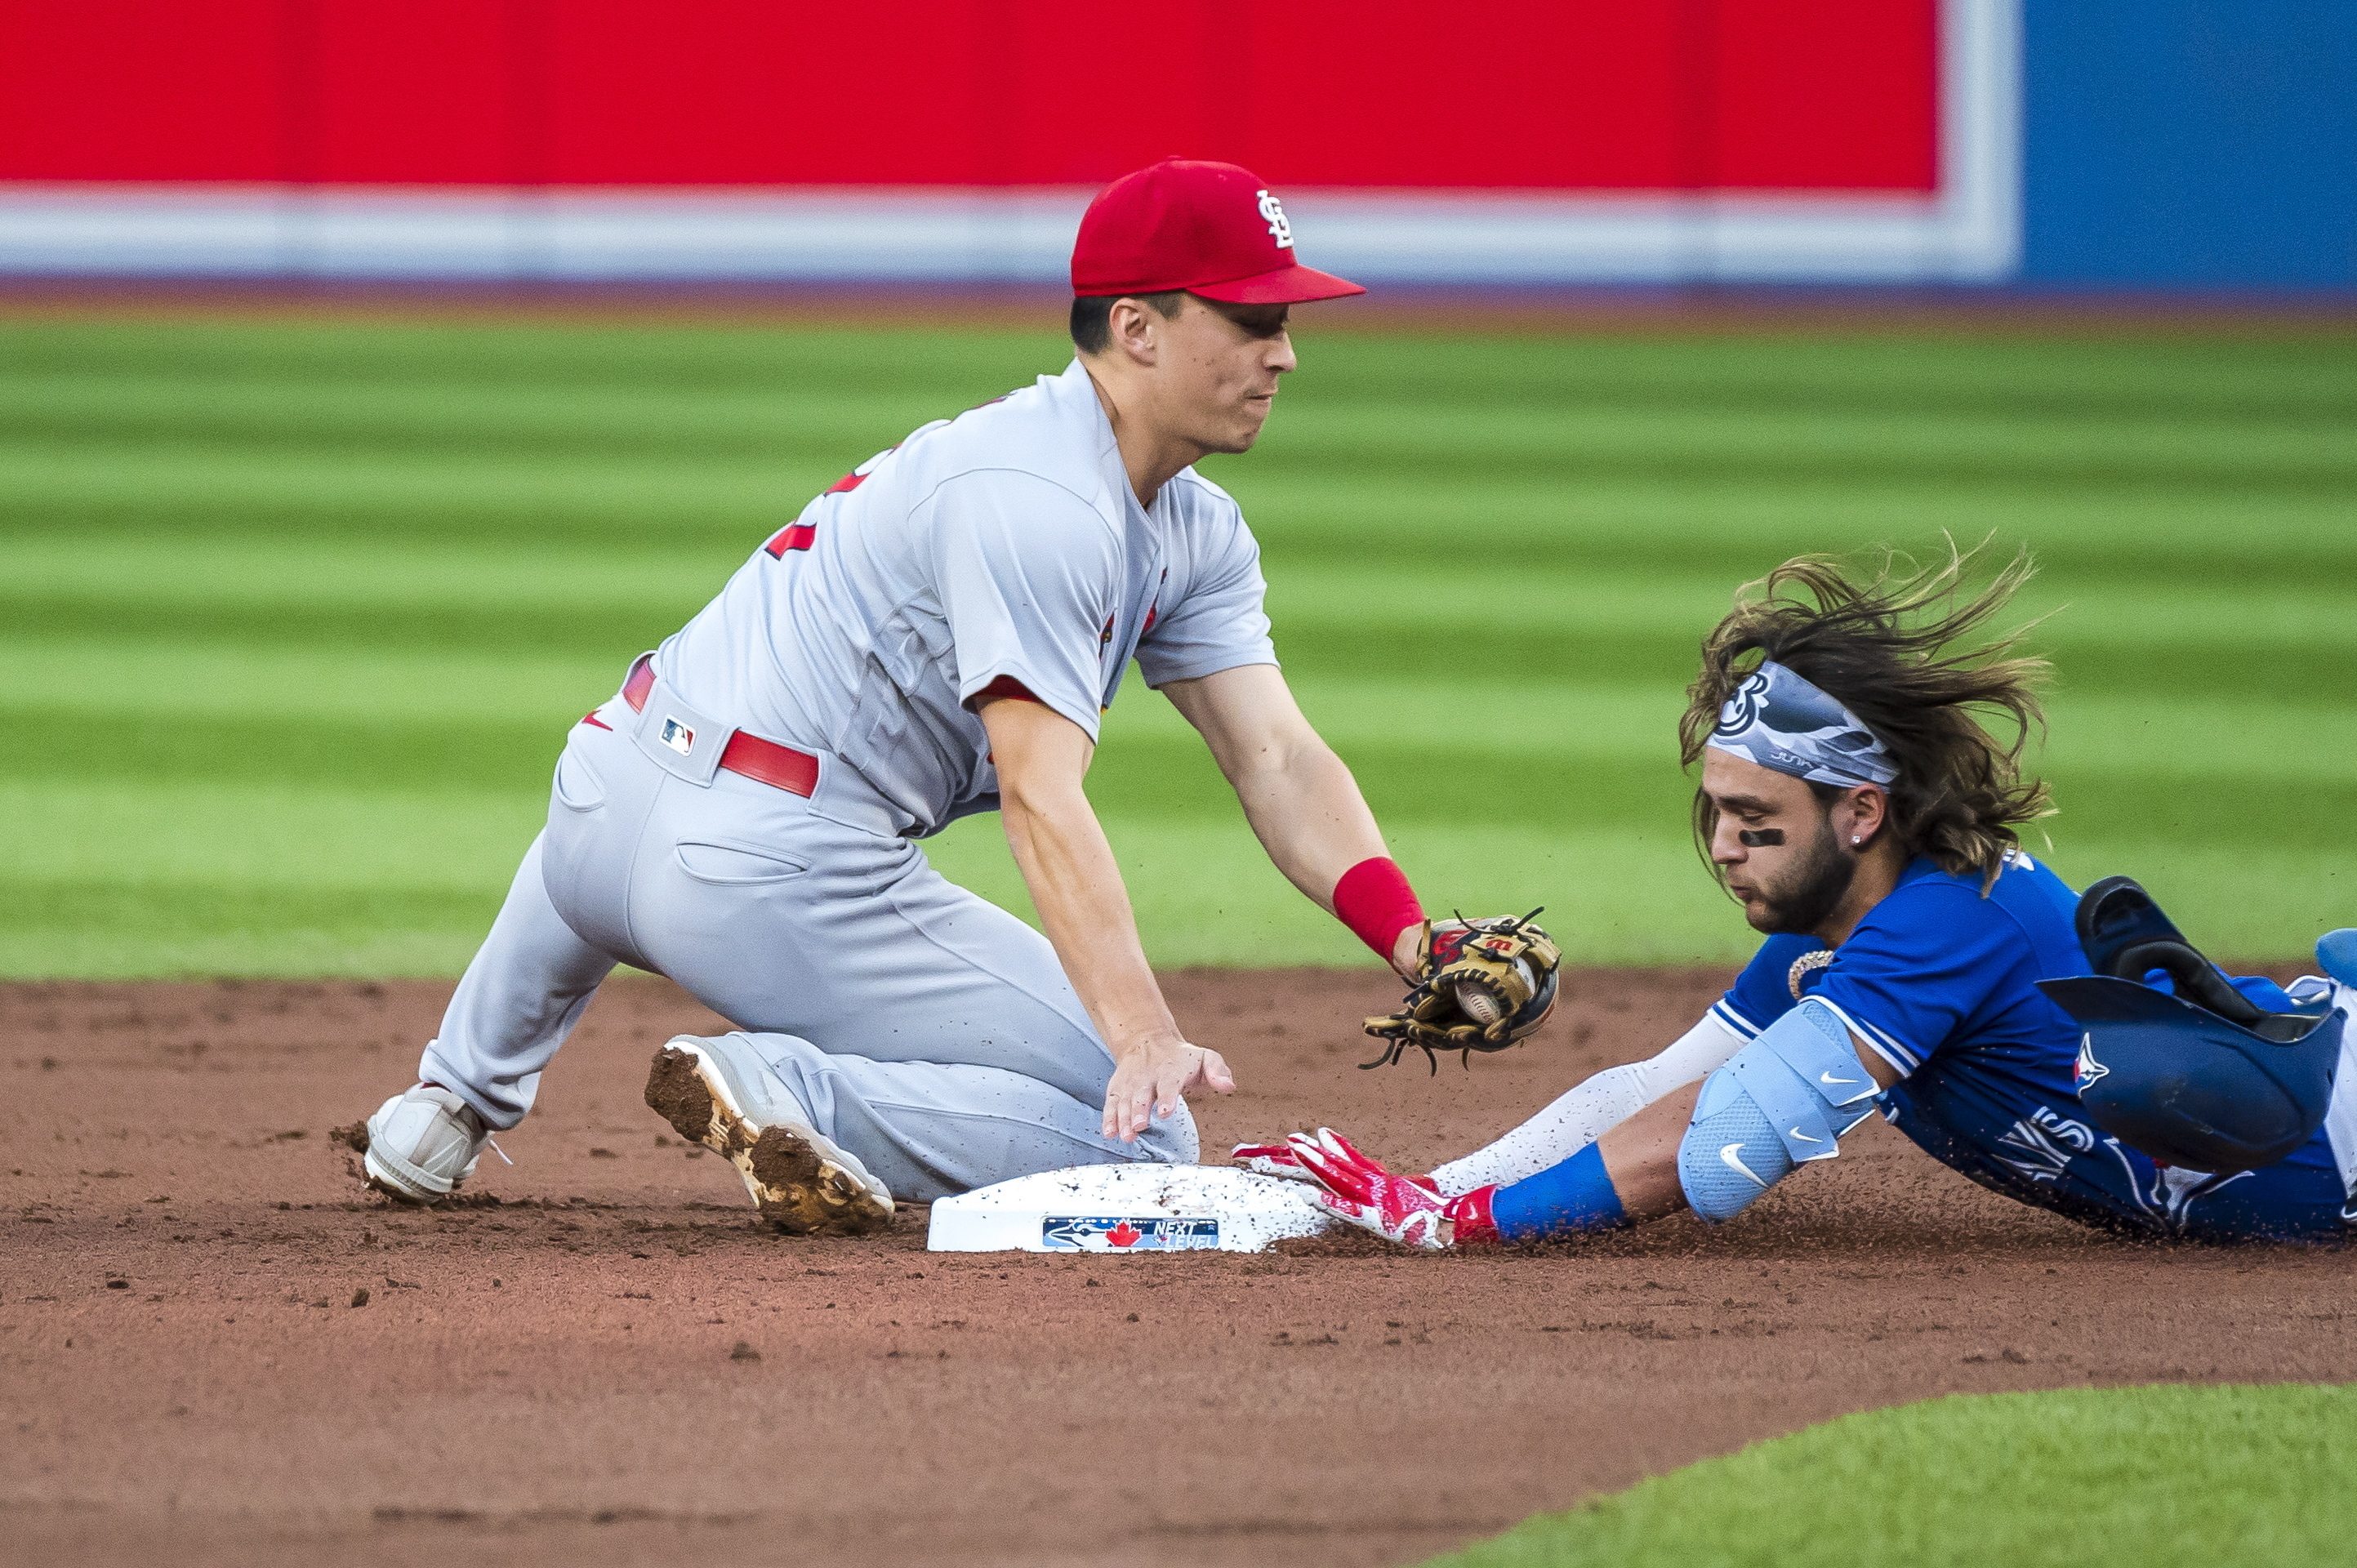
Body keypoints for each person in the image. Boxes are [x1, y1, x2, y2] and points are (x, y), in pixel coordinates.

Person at [358, 157, 1481, 1232]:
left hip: (591, 814)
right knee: (1144, 1140)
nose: (1283, 354)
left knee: (649, 760)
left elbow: (1274, 756)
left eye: (1286, 322)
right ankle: (785, 1086)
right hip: (761, 879)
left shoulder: (1181, 524)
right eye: (1253, 322)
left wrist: (1411, 934)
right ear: (1136, 328)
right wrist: (1142, 1033)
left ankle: (441, 1111)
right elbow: (1041, 796)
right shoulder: (1043, 500)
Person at [1250, 550, 2357, 1246]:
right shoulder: (1826, 941)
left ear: (1861, 814)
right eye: (1716, 816)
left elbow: (1721, 1138)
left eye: (1757, 821)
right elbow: (1651, 1087)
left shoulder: (1940, 926)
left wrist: (1461, 1225)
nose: (1725, 849)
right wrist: (1431, 1190)